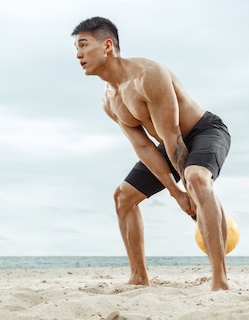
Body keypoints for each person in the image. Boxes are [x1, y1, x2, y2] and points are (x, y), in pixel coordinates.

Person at [72, 16, 232, 291]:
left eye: (84, 45)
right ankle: (138, 277)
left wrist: (188, 194)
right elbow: (144, 146)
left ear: (107, 45)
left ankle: (220, 280)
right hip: (168, 144)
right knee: (123, 197)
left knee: (196, 179)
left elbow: (173, 138)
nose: (78, 54)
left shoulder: (148, 75)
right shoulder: (110, 100)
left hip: (204, 131)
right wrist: (175, 193)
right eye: (76, 48)